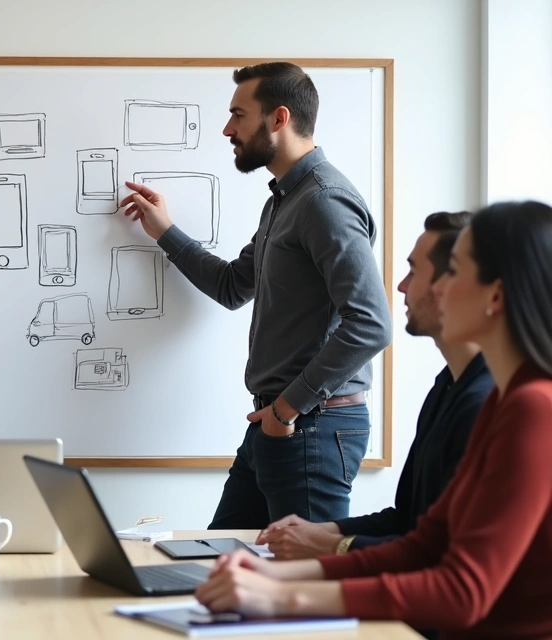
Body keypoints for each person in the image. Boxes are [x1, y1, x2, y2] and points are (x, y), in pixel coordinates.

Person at [194, 200, 552, 640]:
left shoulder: (533, 408)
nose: (437, 289)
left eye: (454, 272)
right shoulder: (502, 399)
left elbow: (461, 591)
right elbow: (424, 544)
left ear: (495, 295)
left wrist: (281, 597)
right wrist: (275, 576)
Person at [121, 61, 392, 528]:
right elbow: (232, 286)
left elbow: (371, 324)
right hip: (278, 421)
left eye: (238, 115)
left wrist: (286, 409)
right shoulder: (284, 202)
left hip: (309, 425)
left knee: (303, 570)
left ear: (279, 118)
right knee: (219, 556)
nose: (228, 129)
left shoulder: (324, 201)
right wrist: (164, 231)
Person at [258, 211, 493, 561]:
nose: (400, 286)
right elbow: (408, 519)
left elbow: (442, 557)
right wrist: (324, 531)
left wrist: (332, 546)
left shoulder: (483, 405)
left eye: (414, 271)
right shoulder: (445, 389)